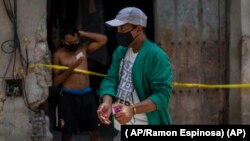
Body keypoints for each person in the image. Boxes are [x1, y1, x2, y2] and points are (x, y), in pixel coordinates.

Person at [96, 7, 173, 141]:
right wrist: (107, 102)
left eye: (122, 29)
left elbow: (162, 95)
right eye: (117, 29)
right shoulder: (121, 51)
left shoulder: (156, 56)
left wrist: (132, 110)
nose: (118, 32)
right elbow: (111, 79)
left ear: (138, 29)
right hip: (120, 128)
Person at [53, 25, 107, 141]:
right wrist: (72, 67)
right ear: (63, 41)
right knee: (67, 133)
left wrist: (81, 33)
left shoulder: (83, 48)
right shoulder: (58, 55)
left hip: (87, 95)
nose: (73, 44)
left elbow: (103, 39)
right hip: (68, 96)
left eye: (75, 40)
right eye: (69, 42)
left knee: (94, 132)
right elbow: (56, 81)